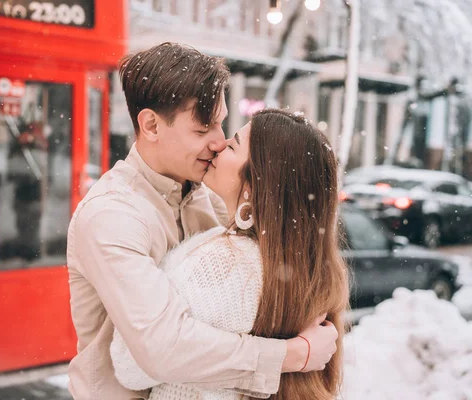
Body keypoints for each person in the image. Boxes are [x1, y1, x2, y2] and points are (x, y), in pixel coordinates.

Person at [67, 42, 340, 400]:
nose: (218, 141)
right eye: (202, 129)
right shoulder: (112, 216)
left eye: (221, 123)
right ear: (151, 125)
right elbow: (162, 348)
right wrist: (291, 355)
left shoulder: (211, 195)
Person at [110, 109, 349, 400]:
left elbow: (131, 364)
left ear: (254, 185)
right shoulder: (312, 272)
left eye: (234, 145)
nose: (219, 145)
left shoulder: (220, 263)